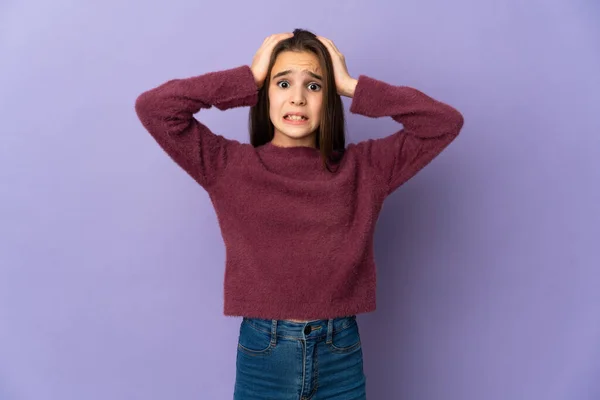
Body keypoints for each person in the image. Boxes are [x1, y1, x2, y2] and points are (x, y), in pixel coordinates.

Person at [135, 28, 463, 400]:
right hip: (265, 353)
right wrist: (248, 78)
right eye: (282, 83)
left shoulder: (365, 168)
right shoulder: (228, 166)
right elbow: (155, 108)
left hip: (340, 352)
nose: (297, 98)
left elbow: (442, 123)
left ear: (329, 99)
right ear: (265, 94)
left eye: (314, 86)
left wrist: (351, 85)